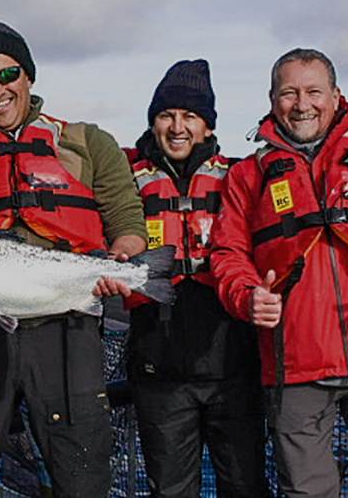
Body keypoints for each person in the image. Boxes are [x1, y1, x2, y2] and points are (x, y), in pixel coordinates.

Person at [0, 20, 149, 496]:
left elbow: (127, 219)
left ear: (28, 75)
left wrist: (122, 257)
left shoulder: (87, 143)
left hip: (67, 324)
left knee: (81, 470)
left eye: (8, 74)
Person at [210, 48, 348, 498]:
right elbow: (228, 253)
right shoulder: (247, 176)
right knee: (306, 491)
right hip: (293, 363)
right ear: (272, 99)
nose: (302, 104)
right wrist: (248, 296)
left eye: (313, 91)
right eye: (289, 93)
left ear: (335, 95)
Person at [123, 59, 268, 497]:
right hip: (159, 371)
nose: (177, 127)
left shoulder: (241, 177)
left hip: (233, 368)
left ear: (208, 126)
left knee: (245, 486)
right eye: (166, 116)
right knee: (170, 490)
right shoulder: (126, 179)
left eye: (189, 116)